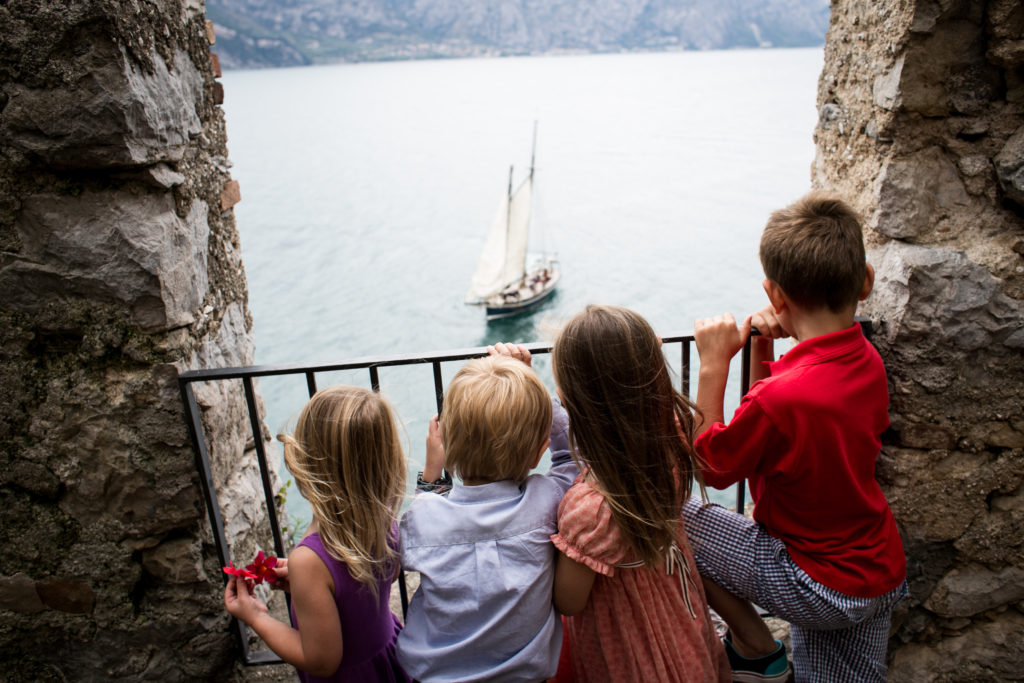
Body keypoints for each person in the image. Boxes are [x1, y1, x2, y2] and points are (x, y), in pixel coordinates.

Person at [688, 191, 908, 682]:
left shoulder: (784, 397)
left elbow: (713, 466)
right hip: (874, 574)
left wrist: (712, 364)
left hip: (812, 579)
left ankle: (755, 645)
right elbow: (775, 419)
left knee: (665, 515)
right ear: (866, 282)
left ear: (775, 295)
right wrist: (763, 342)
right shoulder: (865, 360)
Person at [549, 304, 731, 682]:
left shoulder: (591, 510)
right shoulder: (673, 444)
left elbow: (568, 600)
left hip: (627, 650)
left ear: (570, 399)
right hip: (679, 613)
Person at [396, 349, 576, 682]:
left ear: (448, 444)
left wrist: (431, 476)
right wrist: (534, 384)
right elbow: (568, 459)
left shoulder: (424, 516)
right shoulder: (546, 501)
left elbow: (396, 556)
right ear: (539, 452)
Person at [224, 386, 411, 682]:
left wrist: (255, 616)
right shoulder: (383, 515)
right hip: (388, 656)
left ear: (309, 465)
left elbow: (321, 661)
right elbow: (381, 575)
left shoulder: (309, 560)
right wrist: (308, 587)